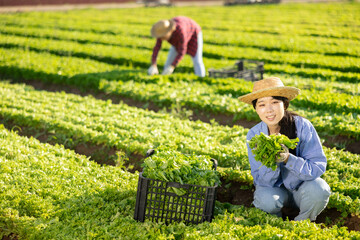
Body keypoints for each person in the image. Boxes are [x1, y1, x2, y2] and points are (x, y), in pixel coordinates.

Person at [238, 77, 331, 221]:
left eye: (275, 102)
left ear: (285, 104)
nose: (269, 110)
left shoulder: (302, 126)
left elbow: (317, 168)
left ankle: (302, 223)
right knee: (266, 199)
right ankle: (276, 224)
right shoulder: (254, 135)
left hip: (301, 190)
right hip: (275, 191)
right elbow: (262, 181)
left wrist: (289, 159)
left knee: (319, 189)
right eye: (262, 104)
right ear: (256, 109)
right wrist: (271, 162)